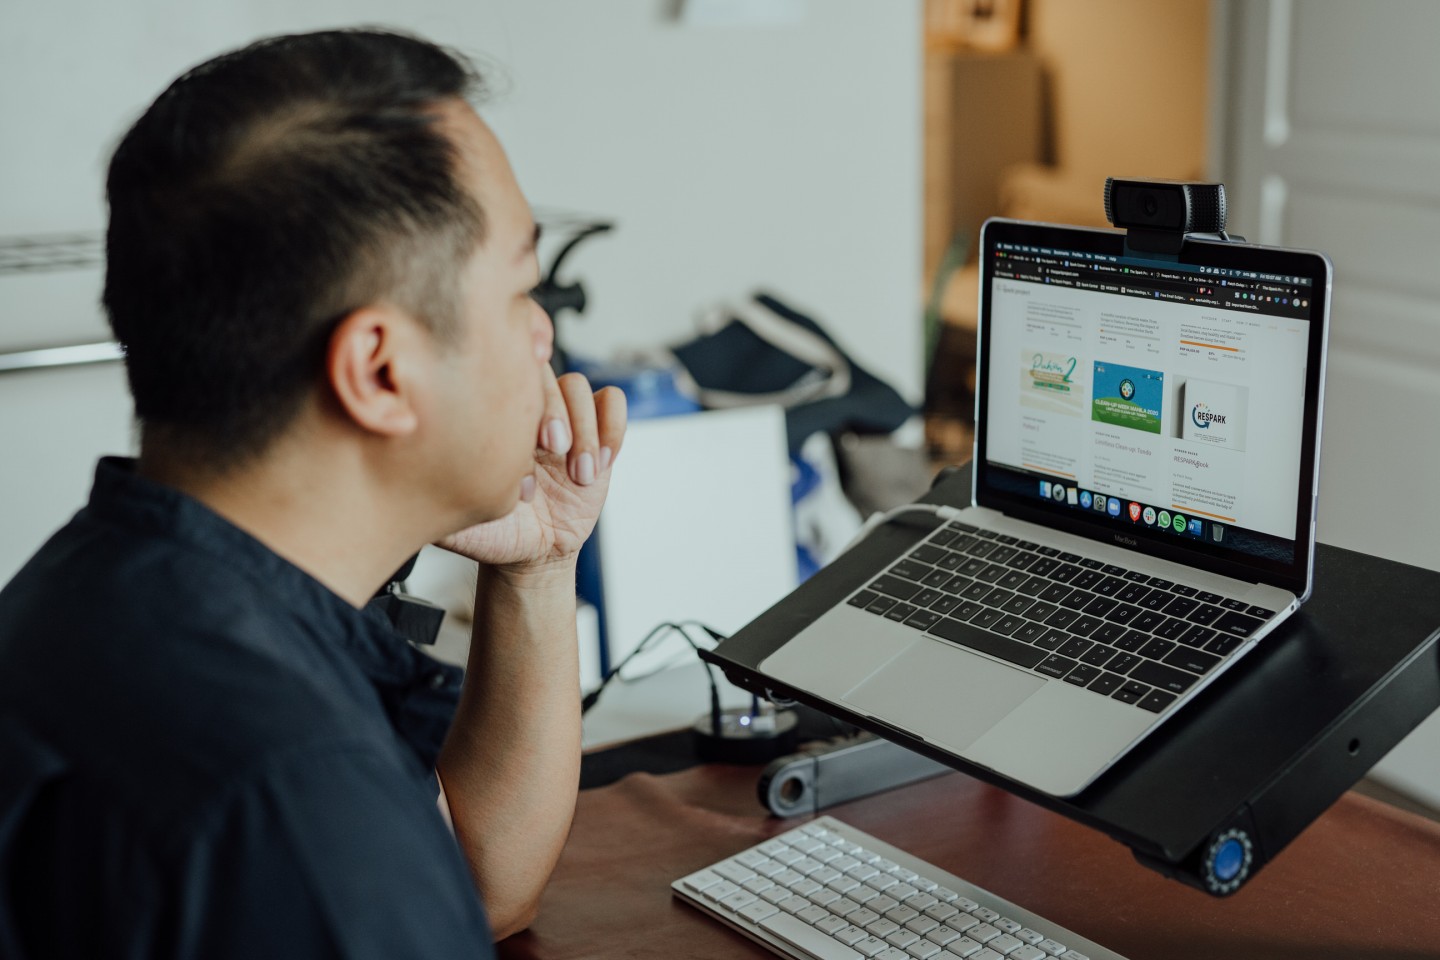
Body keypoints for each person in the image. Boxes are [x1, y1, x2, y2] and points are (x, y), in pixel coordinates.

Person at [0, 29, 625, 959]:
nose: (544, 336)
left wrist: (540, 565)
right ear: (379, 371)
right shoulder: (293, 798)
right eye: (519, 290)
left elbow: (477, 888)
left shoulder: (103, 580)